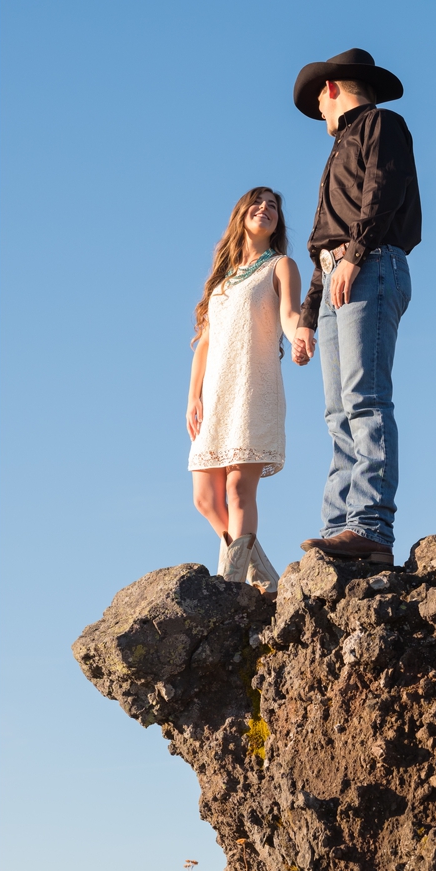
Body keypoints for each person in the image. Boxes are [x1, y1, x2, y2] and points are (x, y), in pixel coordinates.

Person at [290, 49, 418, 566]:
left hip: (372, 265)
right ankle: (341, 527)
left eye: (319, 98)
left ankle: (369, 525)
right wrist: (304, 317)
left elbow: (381, 192)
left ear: (333, 89)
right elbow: (325, 242)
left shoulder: (382, 124)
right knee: (337, 410)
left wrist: (357, 255)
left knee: (365, 397)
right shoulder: (340, 145)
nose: (319, 109)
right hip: (339, 273)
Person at [186, 187, 306, 596]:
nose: (266, 209)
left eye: (273, 206)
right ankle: (264, 576)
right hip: (215, 395)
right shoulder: (221, 280)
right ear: (241, 215)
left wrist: (299, 337)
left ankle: (231, 585)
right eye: (258, 203)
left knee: (238, 489)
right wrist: (193, 397)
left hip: (253, 388)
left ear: (278, 223)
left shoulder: (281, 266)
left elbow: (290, 315)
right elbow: (204, 342)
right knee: (205, 496)